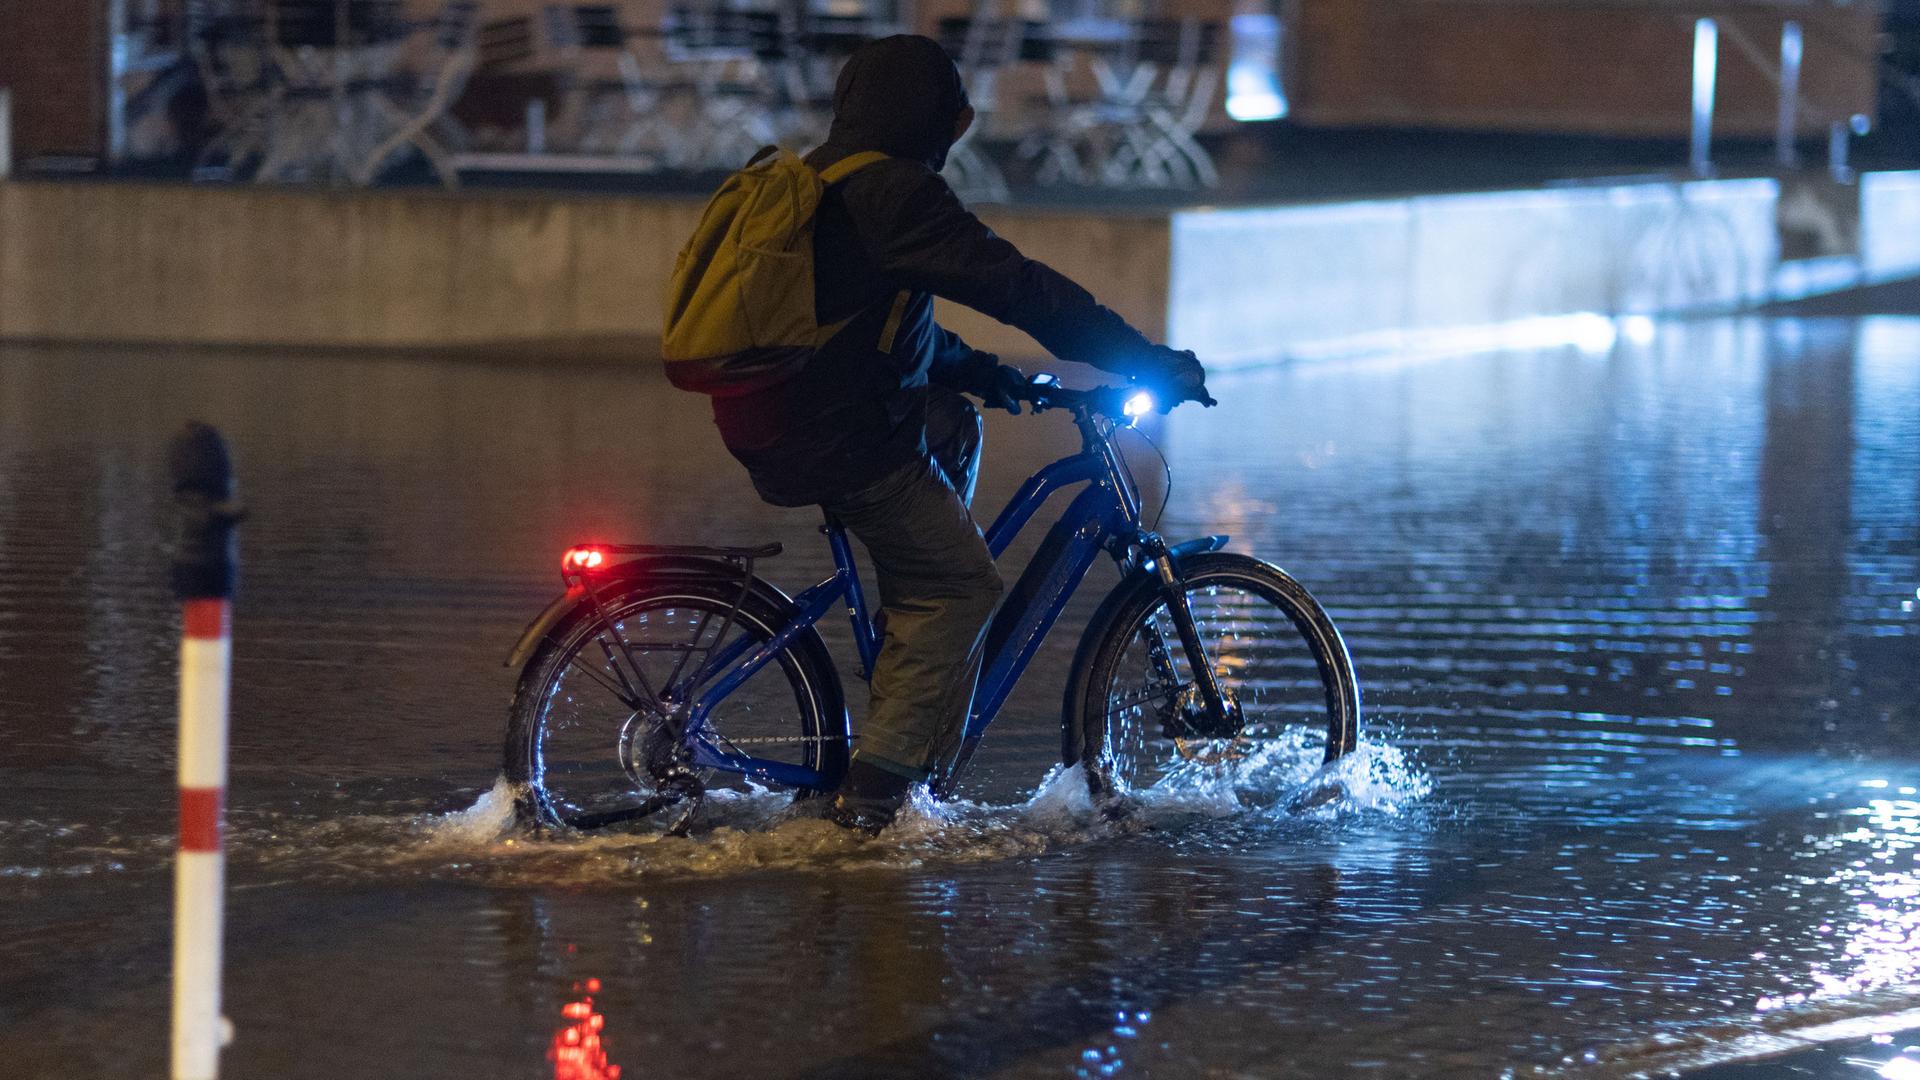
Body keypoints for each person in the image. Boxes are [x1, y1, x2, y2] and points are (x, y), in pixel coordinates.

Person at [705, 34, 1211, 833]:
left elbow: (871, 331)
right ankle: (871, 803)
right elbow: (1020, 289)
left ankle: (919, 694)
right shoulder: (894, 194)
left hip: (789, 412)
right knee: (962, 585)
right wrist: (1142, 357)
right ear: (928, 119)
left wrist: (990, 375)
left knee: (954, 424)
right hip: (835, 432)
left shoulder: (827, 179)